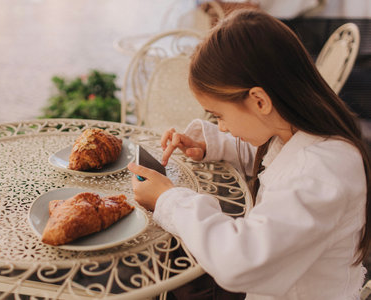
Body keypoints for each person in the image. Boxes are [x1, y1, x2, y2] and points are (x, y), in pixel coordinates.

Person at [127, 8, 371, 300]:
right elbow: (268, 154)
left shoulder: (322, 172)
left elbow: (239, 261)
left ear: (259, 100)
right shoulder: (296, 132)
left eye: (219, 116)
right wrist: (207, 143)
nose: (222, 127)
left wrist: (168, 199)